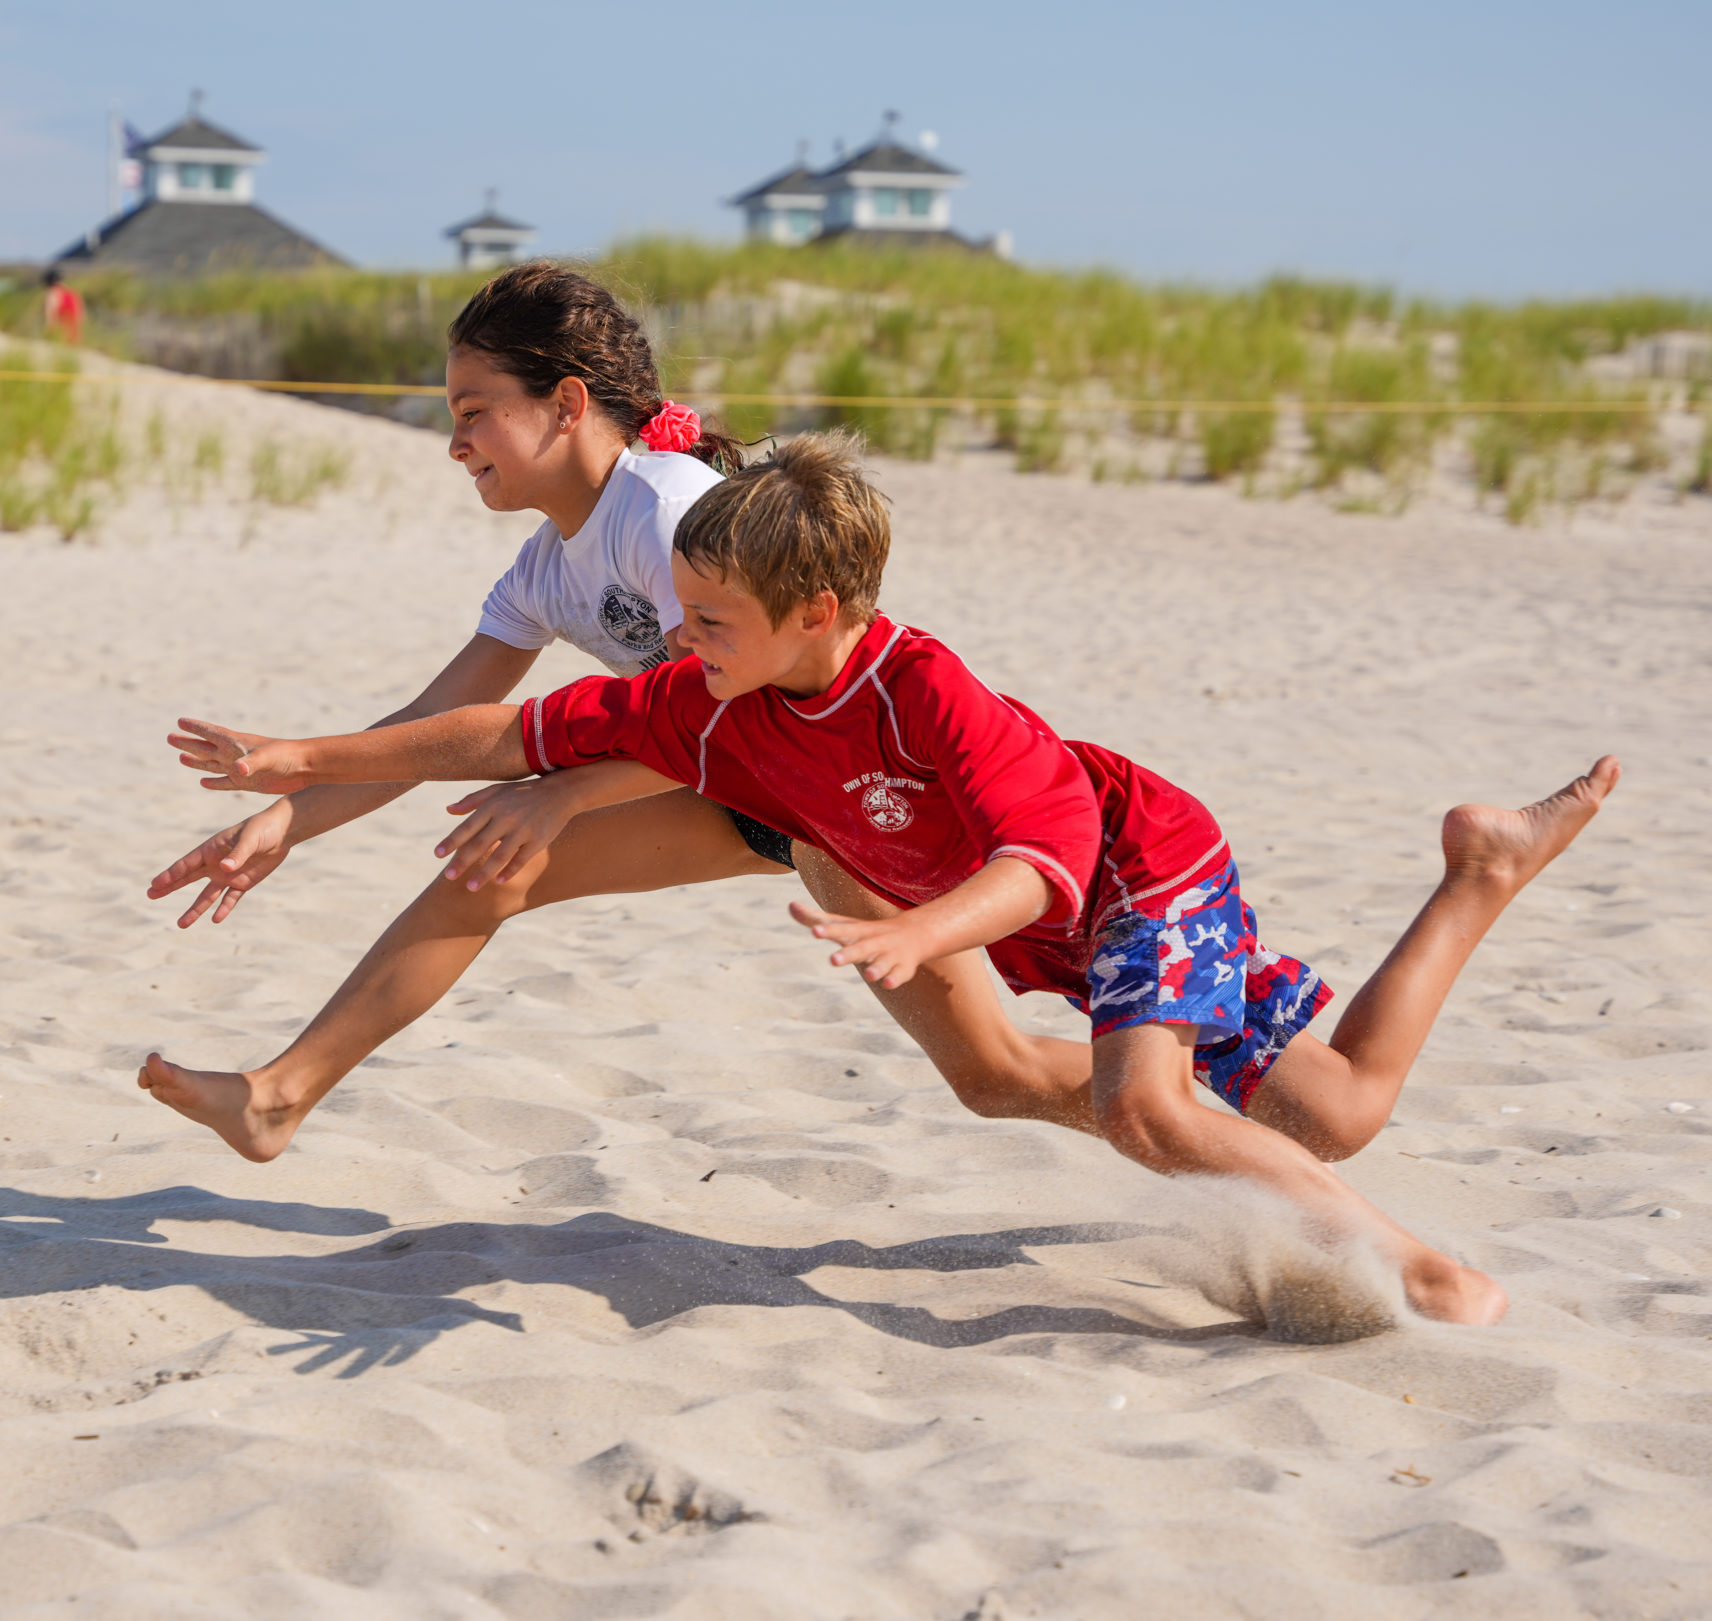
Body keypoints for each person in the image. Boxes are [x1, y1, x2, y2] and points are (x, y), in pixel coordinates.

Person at [166, 433, 1619, 1326]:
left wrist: (921, 924)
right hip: (1005, 911)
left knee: (1146, 1104)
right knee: (1330, 1109)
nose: (684, 644)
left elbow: (1043, 869)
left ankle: (1421, 1275)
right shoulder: (709, 699)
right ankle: (1481, 872)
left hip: (1139, 876)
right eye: (680, 617)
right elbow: (504, 727)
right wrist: (305, 754)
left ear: (817, 615)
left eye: (712, 620)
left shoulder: (934, 695)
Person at [138, 264, 1081, 1164]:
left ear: (567, 404)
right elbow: (431, 722)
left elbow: (730, 707)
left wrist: (568, 794)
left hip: (852, 795)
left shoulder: (667, 511)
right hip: (762, 802)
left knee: (998, 1075)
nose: (455, 443)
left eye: (474, 414)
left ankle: (1212, 1109)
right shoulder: (548, 566)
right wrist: (287, 819)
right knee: (495, 866)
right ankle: (279, 1096)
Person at [43, 268, 84, 346]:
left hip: (61, 335)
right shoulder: (73, 294)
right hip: (75, 336)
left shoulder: (52, 293)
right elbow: (81, 316)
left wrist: (49, 333)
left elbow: (50, 315)